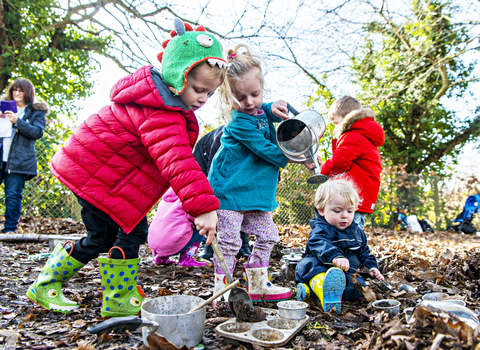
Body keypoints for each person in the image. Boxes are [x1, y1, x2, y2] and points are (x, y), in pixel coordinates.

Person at [26, 18, 227, 317]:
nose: (203, 98)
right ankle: (111, 296)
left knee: (104, 237)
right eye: (198, 89)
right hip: (93, 177)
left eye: (210, 94)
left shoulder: (159, 102)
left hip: (99, 177)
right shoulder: (161, 110)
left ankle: (91, 290)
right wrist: (203, 207)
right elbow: (177, 161)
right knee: (129, 231)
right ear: (177, 75)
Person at [208, 43, 311, 303]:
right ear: (227, 97)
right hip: (230, 193)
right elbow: (268, 150)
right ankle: (222, 289)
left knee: (268, 235)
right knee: (230, 243)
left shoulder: (257, 109)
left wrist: (271, 106)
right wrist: (299, 155)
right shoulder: (239, 122)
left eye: (255, 94)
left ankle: (257, 282)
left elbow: (262, 111)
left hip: (253, 195)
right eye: (240, 98)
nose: (249, 102)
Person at [295, 179, 384, 313]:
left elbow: (365, 253)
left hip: (344, 273)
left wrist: (371, 267)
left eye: (350, 211)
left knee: (357, 287)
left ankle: (325, 294)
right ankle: (320, 290)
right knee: (308, 266)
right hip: (322, 265)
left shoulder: (357, 232)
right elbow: (319, 243)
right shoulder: (321, 229)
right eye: (337, 211)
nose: (344, 216)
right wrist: (335, 256)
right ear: (321, 211)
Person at [318, 96, 385, 229]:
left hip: (351, 194)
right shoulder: (364, 136)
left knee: (347, 232)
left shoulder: (353, 136)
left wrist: (322, 171)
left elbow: (338, 163)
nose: (334, 129)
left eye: (336, 123)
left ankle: (347, 250)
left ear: (347, 119)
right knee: (354, 231)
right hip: (361, 195)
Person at [193, 125, 252, 261]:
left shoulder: (262, 138)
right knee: (215, 201)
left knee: (243, 202)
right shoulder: (225, 136)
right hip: (205, 158)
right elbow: (214, 176)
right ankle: (209, 245)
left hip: (240, 172)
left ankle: (243, 245)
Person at [0, 78, 48, 233]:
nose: (17, 93)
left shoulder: (35, 112)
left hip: (19, 161)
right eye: (14, 89)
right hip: (1, 157)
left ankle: (9, 231)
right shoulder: (3, 107)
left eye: (20, 90)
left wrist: (17, 121)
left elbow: (37, 132)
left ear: (27, 92)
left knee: (13, 196)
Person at [148, 187, 207, 268]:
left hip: (155, 245)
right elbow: (196, 218)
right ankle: (186, 258)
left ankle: (161, 258)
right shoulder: (188, 198)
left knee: (170, 226)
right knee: (200, 228)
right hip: (173, 245)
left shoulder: (165, 199)